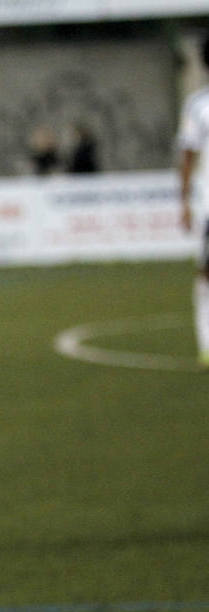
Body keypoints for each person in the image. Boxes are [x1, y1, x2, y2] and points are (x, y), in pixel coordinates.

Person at [176, 36, 209, 368]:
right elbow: (187, 156)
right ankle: (207, 342)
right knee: (207, 273)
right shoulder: (199, 105)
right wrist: (184, 202)